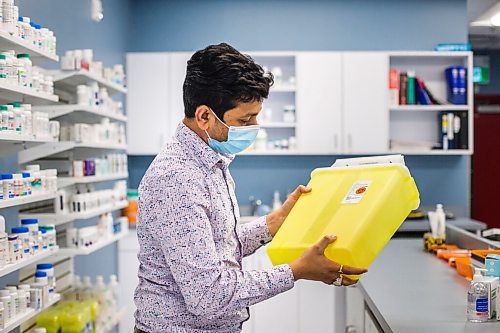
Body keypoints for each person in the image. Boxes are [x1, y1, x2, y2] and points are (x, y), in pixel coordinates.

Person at [134, 43, 367, 333]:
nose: (255, 126)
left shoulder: (211, 162)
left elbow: (217, 248)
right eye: (245, 119)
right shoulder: (176, 179)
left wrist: (273, 223)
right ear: (205, 116)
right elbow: (209, 295)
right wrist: (297, 270)